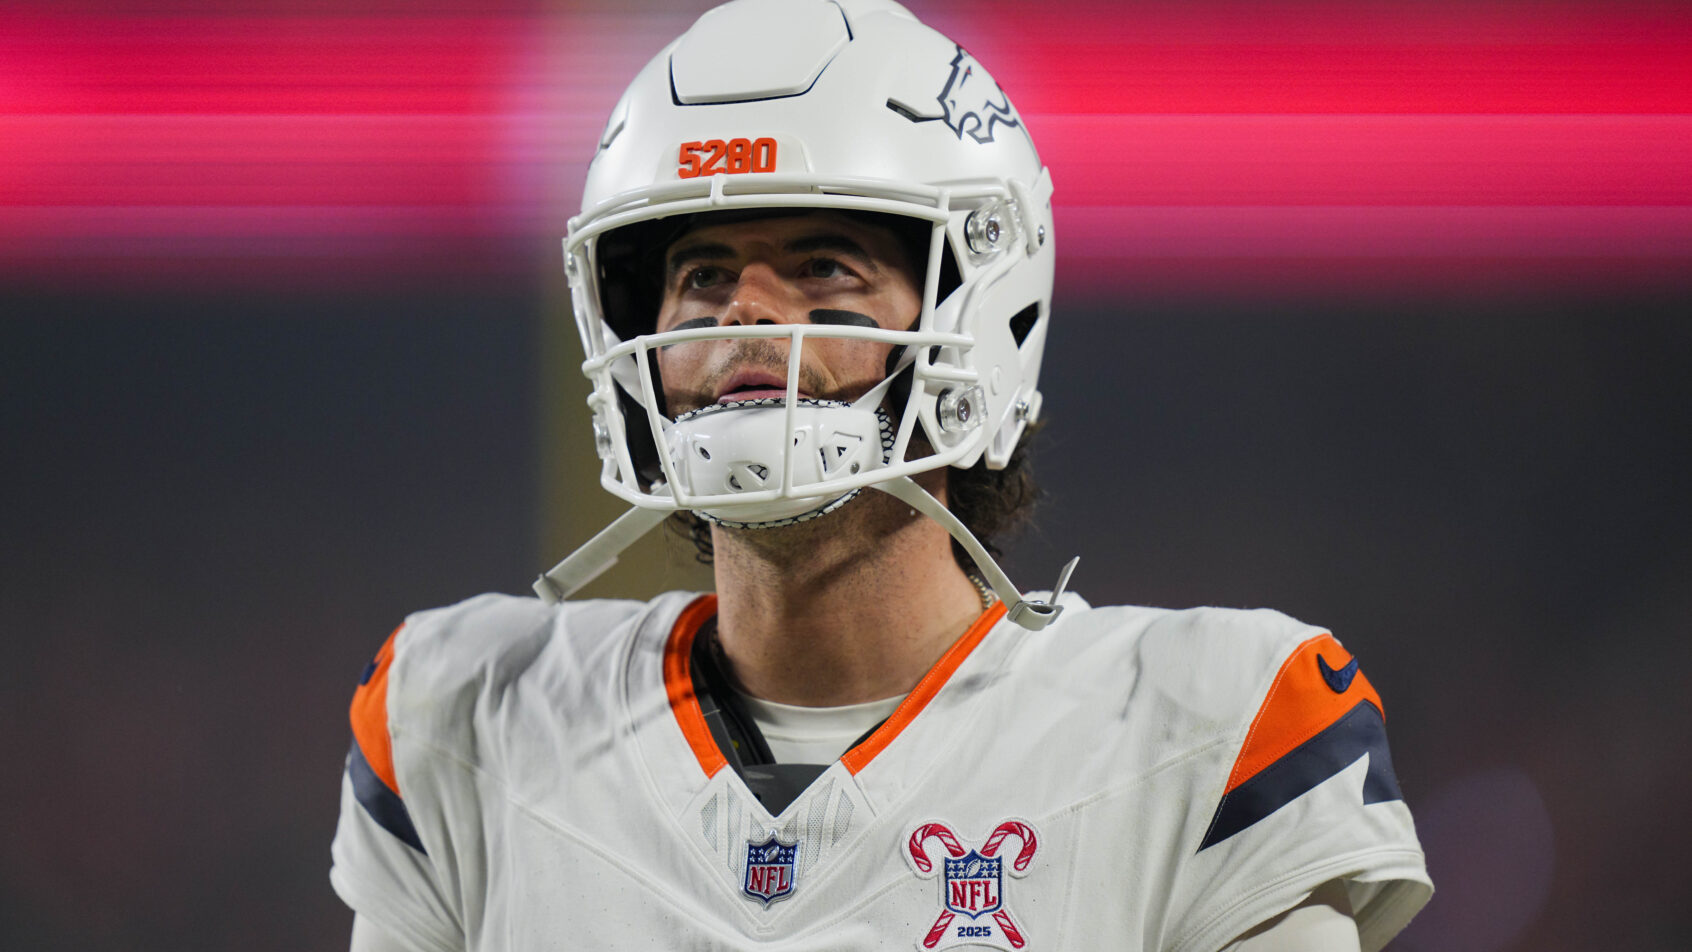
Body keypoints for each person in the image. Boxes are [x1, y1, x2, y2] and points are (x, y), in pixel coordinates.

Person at [330, 1, 1432, 949]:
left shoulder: (1208, 727)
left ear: (975, 310)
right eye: (702, 272)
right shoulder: (469, 717)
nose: (747, 311)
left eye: (822, 265)